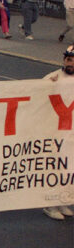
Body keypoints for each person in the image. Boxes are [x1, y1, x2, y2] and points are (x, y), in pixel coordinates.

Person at [41, 46, 74, 220]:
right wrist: (47, 86)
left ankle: (63, 200)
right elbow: (36, 98)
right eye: (68, 59)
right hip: (56, 133)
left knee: (70, 170)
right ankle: (50, 204)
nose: (70, 63)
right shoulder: (53, 78)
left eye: (73, 60)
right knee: (55, 169)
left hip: (72, 133)